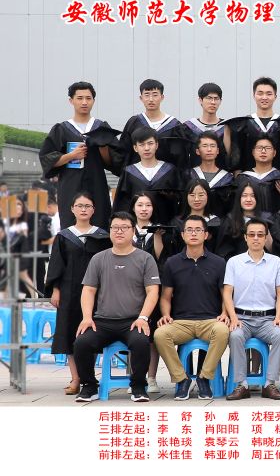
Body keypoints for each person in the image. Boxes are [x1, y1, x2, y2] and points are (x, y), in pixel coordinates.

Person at [72, 212, 160, 402]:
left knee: (141, 342)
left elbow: (153, 291)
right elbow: (88, 290)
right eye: (115, 228)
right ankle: (89, 386)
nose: (119, 231)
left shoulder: (145, 258)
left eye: (124, 227)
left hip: (133, 321)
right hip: (103, 321)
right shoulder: (98, 259)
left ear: (133, 231)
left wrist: (143, 318)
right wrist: (87, 317)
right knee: (81, 342)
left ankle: (138, 386)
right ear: (110, 231)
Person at [153, 215, 229, 400]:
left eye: (198, 230)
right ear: (182, 235)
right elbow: (165, 297)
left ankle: (204, 377)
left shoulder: (219, 262)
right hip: (181, 322)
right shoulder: (172, 263)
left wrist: (224, 313)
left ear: (206, 235)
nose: (193, 233)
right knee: (160, 334)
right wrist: (166, 314)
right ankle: (182, 379)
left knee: (222, 331)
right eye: (189, 230)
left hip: (210, 321)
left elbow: (225, 294)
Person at [45, 192, 110, 395]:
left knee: (91, 334)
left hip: (97, 293)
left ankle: (88, 376)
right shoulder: (64, 236)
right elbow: (56, 265)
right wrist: (55, 290)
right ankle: (76, 378)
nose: (83, 209)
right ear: (72, 209)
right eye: (79, 206)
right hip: (69, 293)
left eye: (87, 206)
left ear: (93, 210)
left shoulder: (102, 236)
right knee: (69, 334)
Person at [222, 217, 280, 400]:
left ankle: (270, 384)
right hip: (242, 318)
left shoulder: (276, 262)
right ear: (245, 237)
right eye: (252, 234)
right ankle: (241, 385)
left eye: (260, 235)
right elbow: (227, 293)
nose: (256, 238)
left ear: (266, 237)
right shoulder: (234, 262)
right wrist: (233, 318)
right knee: (235, 336)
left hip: (267, 319)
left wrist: (278, 317)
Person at [39, 81, 118, 229]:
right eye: (79, 98)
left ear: (93, 100)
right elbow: (47, 159)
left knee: (100, 225)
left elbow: (114, 163)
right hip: (70, 186)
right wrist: (71, 155)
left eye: (88, 98)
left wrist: (103, 148)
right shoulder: (62, 129)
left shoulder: (101, 127)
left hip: (97, 185)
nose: (84, 102)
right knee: (71, 227)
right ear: (71, 101)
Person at [111, 127, 182, 224]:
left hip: (165, 225)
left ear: (157, 145)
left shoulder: (169, 170)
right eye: (142, 144)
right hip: (137, 226)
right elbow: (122, 203)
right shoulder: (129, 172)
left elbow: (178, 201)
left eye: (150, 143)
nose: (147, 148)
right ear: (135, 148)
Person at [119, 79, 185, 171]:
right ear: (141, 98)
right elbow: (124, 152)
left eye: (155, 95)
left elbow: (181, 158)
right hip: (138, 176)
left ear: (162, 97)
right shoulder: (134, 123)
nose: (151, 99)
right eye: (147, 95)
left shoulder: (174, 126)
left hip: (167, 176)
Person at [180, 83, 233, 171]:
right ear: (200, 100)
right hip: (194, 177)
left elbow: (231, 157)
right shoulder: (188, 128)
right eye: (209, 98)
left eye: (216, 99)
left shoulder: (227, 127)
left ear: (220, 101)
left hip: (222, 177)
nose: (213, 102)